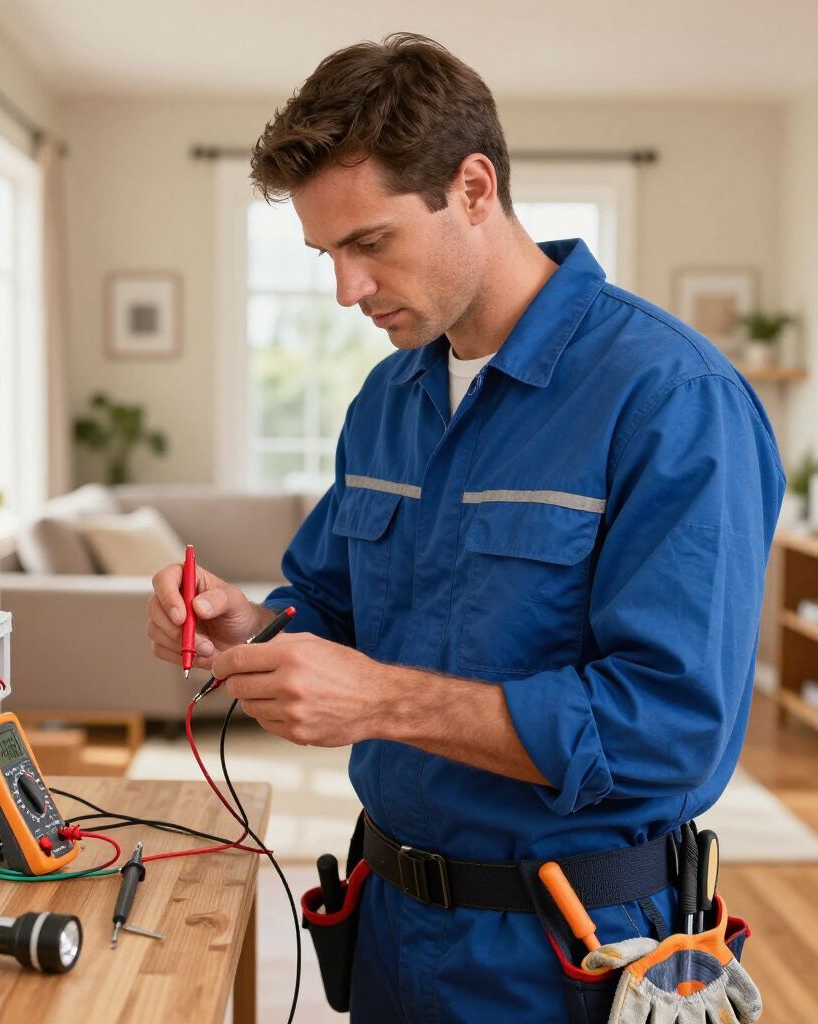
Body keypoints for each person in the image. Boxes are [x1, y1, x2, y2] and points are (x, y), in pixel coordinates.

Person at [147, 33, 784, 1022]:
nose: (345, 290)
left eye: (369, 242)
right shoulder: (386, 401)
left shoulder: (671, 397)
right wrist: (251, 631)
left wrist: (383, 701)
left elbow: (674, 732)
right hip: (392, 929)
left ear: (474, 187)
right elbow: (329, 605)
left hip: (572, 952)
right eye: (325, 254)